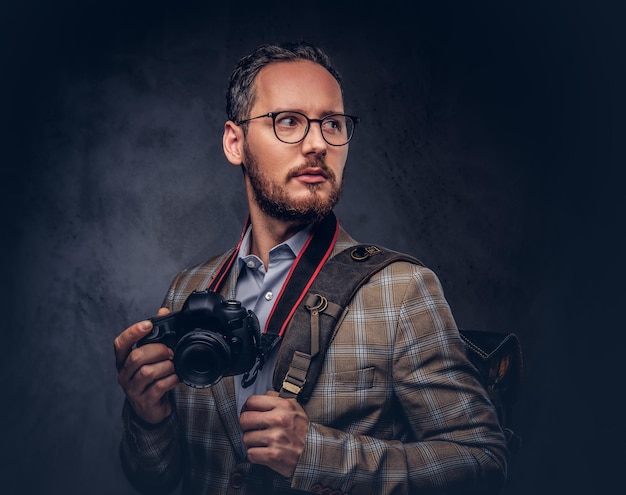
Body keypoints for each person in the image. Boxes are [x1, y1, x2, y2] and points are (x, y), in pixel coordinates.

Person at [114, 41, 508, 495]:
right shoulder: (189, 289)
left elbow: (482, 462)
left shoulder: (401, 290)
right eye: (289, 122)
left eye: (332, 124)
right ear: (235, 142)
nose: (318, 143)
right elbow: (154, 479)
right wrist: (148, 416)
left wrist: (318, 455)